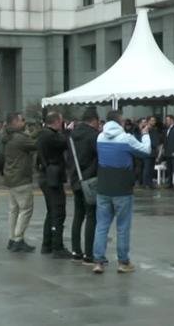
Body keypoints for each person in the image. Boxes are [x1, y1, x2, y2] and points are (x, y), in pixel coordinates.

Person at [92, 110, 151, 275]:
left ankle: (98, 261)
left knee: (102, 225)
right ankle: (123, 262)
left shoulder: (100, 137)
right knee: (122, 227)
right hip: (122, 188)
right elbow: (146, 151)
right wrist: (145, 134)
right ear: (120, 121)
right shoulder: (126, 138)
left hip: (103, 186)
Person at [36, 112, 72, 258]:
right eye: (61, 122)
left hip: (46, 175)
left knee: (51, 211)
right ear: (56, 122)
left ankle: (47, 243)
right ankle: (57, 246)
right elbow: (64, 143)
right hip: (52, 176)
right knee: (58, 211)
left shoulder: (43, 134)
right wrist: (67, 131)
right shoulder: (50, 136)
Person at [1, 112, 38, 253]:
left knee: (13, 210)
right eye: (22, 120)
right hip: (21, 178)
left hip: (10, 176)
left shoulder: (7, 136)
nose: (24, 123)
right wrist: (38, 132)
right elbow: (35, 145)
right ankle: (18, 239)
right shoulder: (19, 138)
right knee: (26, 209)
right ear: (15, 122)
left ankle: (12, 238)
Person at [70, 110, 99, 263]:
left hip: (76, 179)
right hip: (91, 180)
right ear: (94, 120)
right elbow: (99, 156)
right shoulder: (94, 136)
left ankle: (76, 250)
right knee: (91, 216)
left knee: (78, 215)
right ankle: (89, 253)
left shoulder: (72, 135)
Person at [163, 115, 174, 189]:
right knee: (169, 169)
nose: (166, 121)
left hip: (173, 152)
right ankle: (170, 183)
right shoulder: (168, 129)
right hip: (168, 151)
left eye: (168, 120)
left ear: (172, 120)